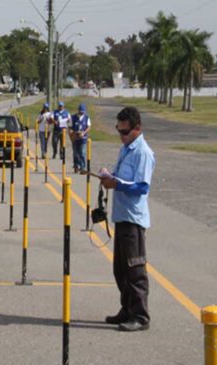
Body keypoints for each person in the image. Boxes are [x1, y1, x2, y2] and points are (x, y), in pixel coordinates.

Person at [98, 106, 155, 332]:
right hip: (121, 216)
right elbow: (121, 177)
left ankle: (140, 316)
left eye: (125, 131)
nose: (121, 136)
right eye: (118, 130)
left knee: (135, 270)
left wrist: (116, 184)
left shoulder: (143, 153)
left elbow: (141, 187)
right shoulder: (126, 148)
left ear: (137, 128)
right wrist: (108, 176)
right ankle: (127, 308)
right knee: (120, 269)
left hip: (133, 219)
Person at [69, 103, 91, 173]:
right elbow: (70, 127)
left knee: (82, 153)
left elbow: (88, 127)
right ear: (78, 110)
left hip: (83, 138)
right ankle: (76, 166)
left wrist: (84, 133)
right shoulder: (73, 117)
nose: (82, 113)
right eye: (81, 111)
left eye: (83, 112)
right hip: (75, 138)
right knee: (76, 153)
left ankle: (82, 167)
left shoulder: (86, 118)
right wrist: (72, 133)